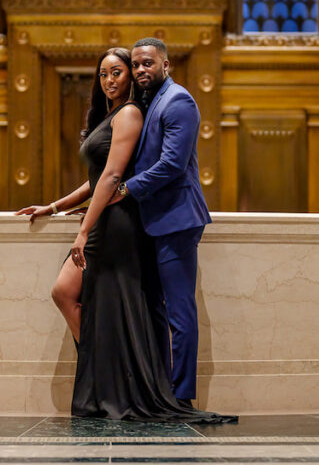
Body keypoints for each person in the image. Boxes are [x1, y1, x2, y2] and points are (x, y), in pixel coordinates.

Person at [16, 47, 233, 422]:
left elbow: (145, 170)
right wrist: (53, 208)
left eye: (122, 70)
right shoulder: (117, 114)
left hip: (144, 221)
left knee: (170, 312)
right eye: (105, 73)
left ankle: (173, 396)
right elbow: (97, 179)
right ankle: (109, 376)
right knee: (75, 297)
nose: (112, 78)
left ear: (161, 65)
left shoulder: (153, 107)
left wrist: (89, 224)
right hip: (114, 219)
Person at [113, 37, 211, 408]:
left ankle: (182, 398)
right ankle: (160, 392)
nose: (140, 70)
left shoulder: (178, 101)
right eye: (136, 64)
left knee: (179, 311)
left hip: (177, 220)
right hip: (155, 221)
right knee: (158, 310)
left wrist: (123, 189)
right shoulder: (147, 103)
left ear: (165, 65)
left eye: (147, 64)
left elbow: (171, 165)